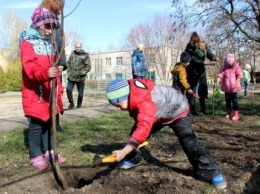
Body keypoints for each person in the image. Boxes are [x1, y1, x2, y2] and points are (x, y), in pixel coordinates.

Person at [105, 78, 227, 190]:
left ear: (126, 96)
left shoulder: (145, 102)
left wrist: (124, 151)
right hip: (160, 114)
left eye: (118, 105)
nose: (117, 108)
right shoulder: (134, 93)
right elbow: (141, 124)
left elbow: (143, 128)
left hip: (178, 110)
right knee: (135, 132)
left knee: (189, 142)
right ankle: (134, 158)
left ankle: (212, 173)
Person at [19, 7, 66, 170]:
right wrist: (46, 73)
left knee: (49, 125)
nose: (49, 31)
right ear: (37, 24)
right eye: (47, 27)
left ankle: (50, 151)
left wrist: (57, 71)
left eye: (52, 28)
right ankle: (35, 154)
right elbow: (30, 67)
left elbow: (53, 66)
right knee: (36, 126)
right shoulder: (28, 43)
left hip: (49, 93)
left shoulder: (49, 44)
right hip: (35, 93)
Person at [41, 0, 66, 132]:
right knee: (45, 95)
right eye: (59, 7)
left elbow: (61, 46)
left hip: (56, 63)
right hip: (44, 64)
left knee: (57, 95)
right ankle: (44, 124)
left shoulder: (58, 26)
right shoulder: (40, 21)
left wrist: (62, 64)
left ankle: (56, 123)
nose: (61, 10)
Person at [185, 32, 218, 115]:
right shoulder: (188, 48)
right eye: (194, 42)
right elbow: (192, 59)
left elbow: (208, 53)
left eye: (197, 42)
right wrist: (203, 63)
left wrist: (213, 57)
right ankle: (192, 109)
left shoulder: (203, 45)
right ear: (191, 41)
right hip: (192, 71)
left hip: (201, 71)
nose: (196, 44)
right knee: (192, 91)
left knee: (202, 89)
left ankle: (203, 108)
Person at [216, 53, 243, 121]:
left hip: (234, 88)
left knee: (234, 101)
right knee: (227, 101)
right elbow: (221, 74)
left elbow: (239, 74)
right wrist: (218, 80)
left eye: (230, 65)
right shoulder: (224, 67)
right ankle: (228, 112)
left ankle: (236, 114)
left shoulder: (236, 66)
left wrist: (238, 79)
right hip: (227, 88)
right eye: (228, 64)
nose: (229, 65)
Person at [66, 42, 91, 109]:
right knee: (68, 90)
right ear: (75, 47)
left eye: (79, 47)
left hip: (80, 78)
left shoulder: (85, 55)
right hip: (71, 77)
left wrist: (82, 73)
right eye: (76, 47)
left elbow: (88, 67)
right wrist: (68, 70)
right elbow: (68, 63)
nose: (77, 49)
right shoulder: (72, 54)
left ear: (81, 47)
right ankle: (71, 104)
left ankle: (79, 106)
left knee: (80, 93)